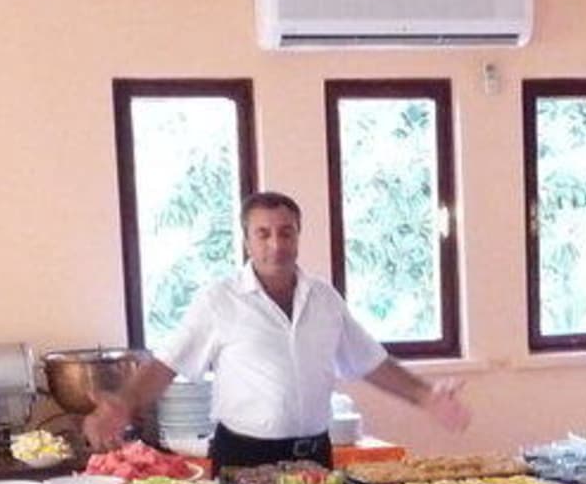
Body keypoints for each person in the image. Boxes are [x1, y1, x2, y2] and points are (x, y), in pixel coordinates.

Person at [81, 191, 471, 469]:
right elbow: (167, 365)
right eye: (263, 234)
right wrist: (124, 402)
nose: (276, 244)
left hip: (314, 455)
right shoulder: (219, 300)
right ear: (246, 241)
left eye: (286, 232)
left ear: (298, 235)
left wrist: (425, 396)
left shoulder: (324, 298)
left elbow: (370, 362)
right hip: (244, 457)